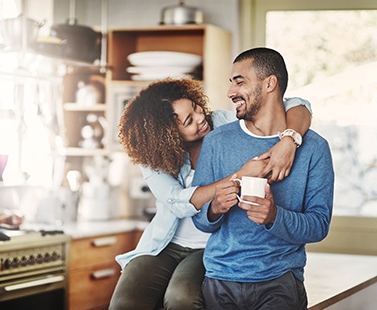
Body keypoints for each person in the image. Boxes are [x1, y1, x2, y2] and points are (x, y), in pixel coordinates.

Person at [109, 78, 312, 310]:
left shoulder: (223, 122)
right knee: (124, 303)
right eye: (189, 121)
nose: (200, 118)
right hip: (164, 244)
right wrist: (239, 175)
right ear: (167, 136)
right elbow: (178, 201)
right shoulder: (153, 156)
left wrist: (289, 139)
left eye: (196, 108)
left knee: (181, 298)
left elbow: (299, 104)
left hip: (211, 244)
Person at [192, 48, 334, 310]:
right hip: (220, 281)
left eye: (240, 81)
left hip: (280, 283)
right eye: (231, 82)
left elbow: (318, 226)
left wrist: (273, 216)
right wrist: (215, 207)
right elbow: (199, 218)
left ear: (270, 83)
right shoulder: (216, 142)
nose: (230, 92)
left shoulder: (314, 148)